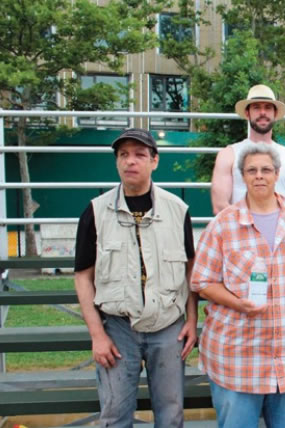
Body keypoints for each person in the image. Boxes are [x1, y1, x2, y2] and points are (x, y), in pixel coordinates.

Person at [73, 128, 198, 427]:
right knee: (115, 415)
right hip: (117, 328)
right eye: (123, 155)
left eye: (140, 154)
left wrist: (192, 321)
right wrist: (97, 335)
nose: (131, 161)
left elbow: (190, 270)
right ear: (116, 162)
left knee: (171, 415)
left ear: (154, 161)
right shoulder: (95, 211)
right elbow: (82, 277)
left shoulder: (178, 211)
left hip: (168, 326)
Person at [191, 143, 285, 428]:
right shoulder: (222, 225)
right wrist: (238, 303)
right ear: (242, 177)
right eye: (252, 170)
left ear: (277, 174)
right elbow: (202, 282)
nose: (259, 176)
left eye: (266, 170)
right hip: (239, 359)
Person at [210, 84, 285, 214]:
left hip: (282, 232)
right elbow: (220, 206)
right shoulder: (229, 155)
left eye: (268, 107)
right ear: (247, 113)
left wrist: (280, 228)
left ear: (275, 113)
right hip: (239, 231)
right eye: (256, 107)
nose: (263, 113)